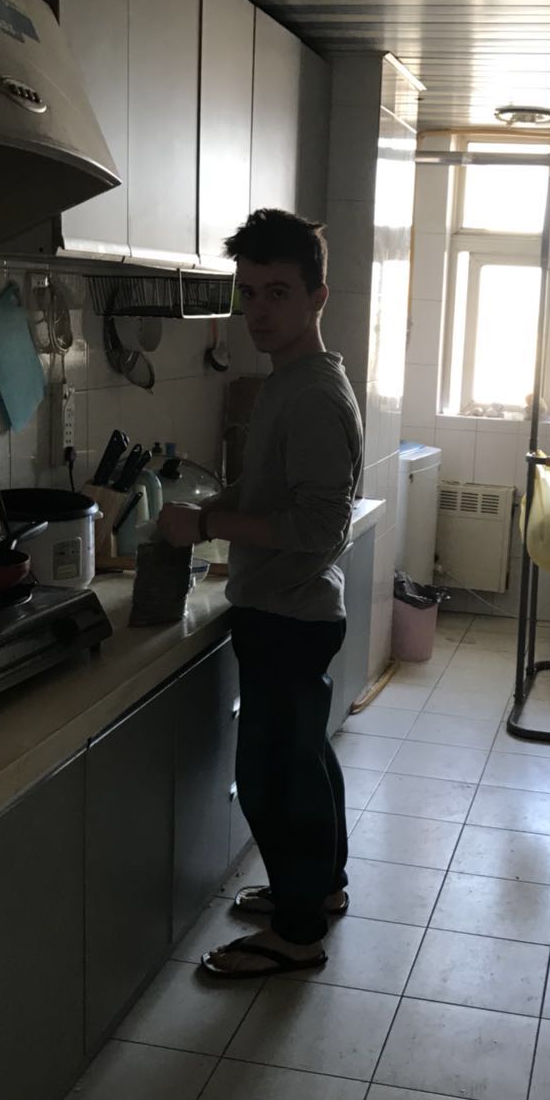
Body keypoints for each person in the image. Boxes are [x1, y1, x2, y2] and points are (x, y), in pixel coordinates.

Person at [157, 208, 363, 979]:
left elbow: (316, 526)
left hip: (289, 612)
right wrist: (211, 511)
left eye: (278, 292)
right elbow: (270, 490)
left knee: (277, 781)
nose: (259, 312)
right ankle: (318, 890)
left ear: (317, 296)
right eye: (249, 293)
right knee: (305, 761)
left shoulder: (310, 395)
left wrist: (208, 524)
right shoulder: (292, 381)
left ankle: (296, 933)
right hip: (293, 608)